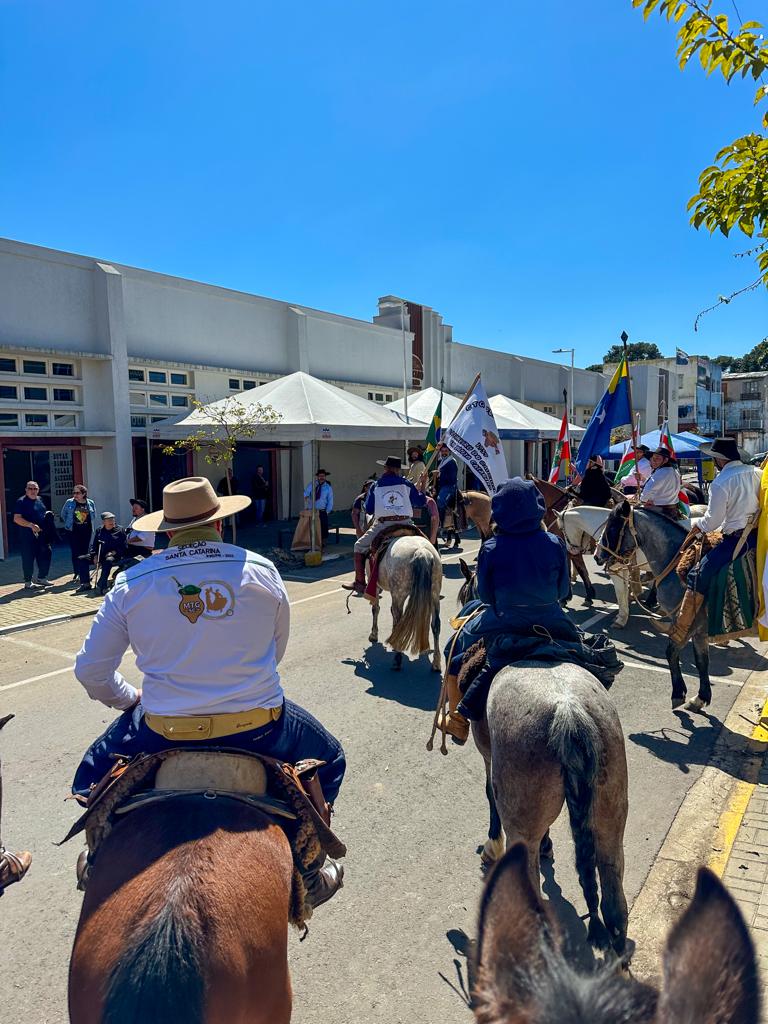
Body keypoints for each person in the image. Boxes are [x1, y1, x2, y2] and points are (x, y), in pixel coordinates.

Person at [72, 476, 345, 908]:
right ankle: (309, 870)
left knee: (89, 774)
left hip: (161, 730)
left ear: (167, 531)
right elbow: (275, 652)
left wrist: (130, 700)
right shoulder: (261, 570)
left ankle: (97, 857)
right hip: (259, 729)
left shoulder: (131, 582)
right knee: (330, 759)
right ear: (219, 524)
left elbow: (91, 672)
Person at [439, 478, 579, 743]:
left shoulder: (490, 547)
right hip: (553, 620)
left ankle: (457, 719)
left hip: (504, 621)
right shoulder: (554, 543)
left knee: (453, 654)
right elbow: (563, 592)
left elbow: (486, 596)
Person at [665, 437, 761, 645]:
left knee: (695, 575)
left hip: (736, 541)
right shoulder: (757, 473)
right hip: (758, 537)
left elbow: (713, 521)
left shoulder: (721, 482)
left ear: (719, 460)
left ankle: (680, 629)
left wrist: (695, 525)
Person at [343, 456, 426, 593]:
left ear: (386, 468)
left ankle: (360, 582)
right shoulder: (406, 484)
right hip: (406, 523)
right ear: (398, 470)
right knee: (427, 545)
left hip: (384, 525)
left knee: (358, 546)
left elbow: (369, 509)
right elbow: (420, 501)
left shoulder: (376, 485)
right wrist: (422, 484)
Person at [12, 480, 52, 589]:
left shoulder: (40, 499)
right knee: (28, 558)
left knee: (46, 554)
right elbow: (17, 518)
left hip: (42, 535)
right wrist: (31, 525)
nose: (33, 491)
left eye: (35, 489)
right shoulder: (21, 501)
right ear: (26, 490)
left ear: (38, 490)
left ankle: (42, 578)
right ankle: (28, 581)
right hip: (27, 536)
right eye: (30, 488)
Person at [62, 485, 97, 591]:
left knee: (85, 553)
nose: (75, 495)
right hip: (73, 531)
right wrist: (69, 524)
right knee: (76, 552)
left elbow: (93, 515)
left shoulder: (90, 502)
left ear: (83, 494)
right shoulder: (70, 502)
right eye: (74, 493)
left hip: (86, 531)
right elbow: (64, 514)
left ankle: (84, 574)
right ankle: (78, 573)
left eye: (77, 493)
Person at [89, 513, 128, 596]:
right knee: (81, 559)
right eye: (109, 520)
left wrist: (114, 552)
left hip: (114, 555)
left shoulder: (120, 530)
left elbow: (124, 545)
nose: (112, 522)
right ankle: (85, 583)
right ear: (103, 522)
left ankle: (101, 585)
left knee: (107, 562)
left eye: (113, 519)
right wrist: (94, 555)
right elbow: (95, 545)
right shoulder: (99, 530)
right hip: (100, 554)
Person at [640, 446, 682, 518]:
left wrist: (643, 500)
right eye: (653, 458)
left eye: (657, 459)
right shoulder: (674, 471)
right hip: (673, 509)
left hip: (659, 511)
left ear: (665, 460)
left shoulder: (661, 472)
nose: (654, 461)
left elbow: (647, 491)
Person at [436, 444, 460, 548]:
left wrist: (439, 477)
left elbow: (451, 478)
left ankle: (440, 524)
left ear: (449, 452)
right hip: (441, 486)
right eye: (442, 451)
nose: (444, 452)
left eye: (446, 451)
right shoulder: (440, 462)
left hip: (449, 486)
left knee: (440, 501)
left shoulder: (452, 462)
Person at [304, 469, 333, 540]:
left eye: (323, 476)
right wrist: (307, 498)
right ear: (317, 477)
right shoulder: (312, 484)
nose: (321, 477)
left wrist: (327, 511)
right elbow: (306, 493)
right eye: (320, 476)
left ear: (325, 477)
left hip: (322, 511)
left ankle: (322, 542)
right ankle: (311, 542)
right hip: (312, 510)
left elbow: (330, 500)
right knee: (311, 527)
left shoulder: (328, 487)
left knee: (323, 527)